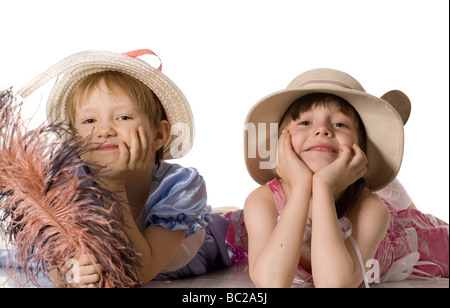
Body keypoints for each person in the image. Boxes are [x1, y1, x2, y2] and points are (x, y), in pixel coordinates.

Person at [16, 49, 232, 287]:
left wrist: (114, 187)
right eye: (90, 121)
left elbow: (138, 273)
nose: (104, 130)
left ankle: (223, 214)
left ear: (158, 135)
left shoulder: (180, 187)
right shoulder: (70, 185)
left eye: (123, 118)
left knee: (234, 225)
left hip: (180, 254)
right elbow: (57, 258)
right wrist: (72, 274)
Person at [235, 68, 449, 288]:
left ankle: (398, 195)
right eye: (305, 123)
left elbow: (334, 284)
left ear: (361, 148)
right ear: (281, 143)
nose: (322, 130)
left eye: (340, 124)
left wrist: (323, 186)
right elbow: (272, 283)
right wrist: (301, 185)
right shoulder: (262, 201)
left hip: (380, 216)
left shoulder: (370, 208)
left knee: (412, 215)